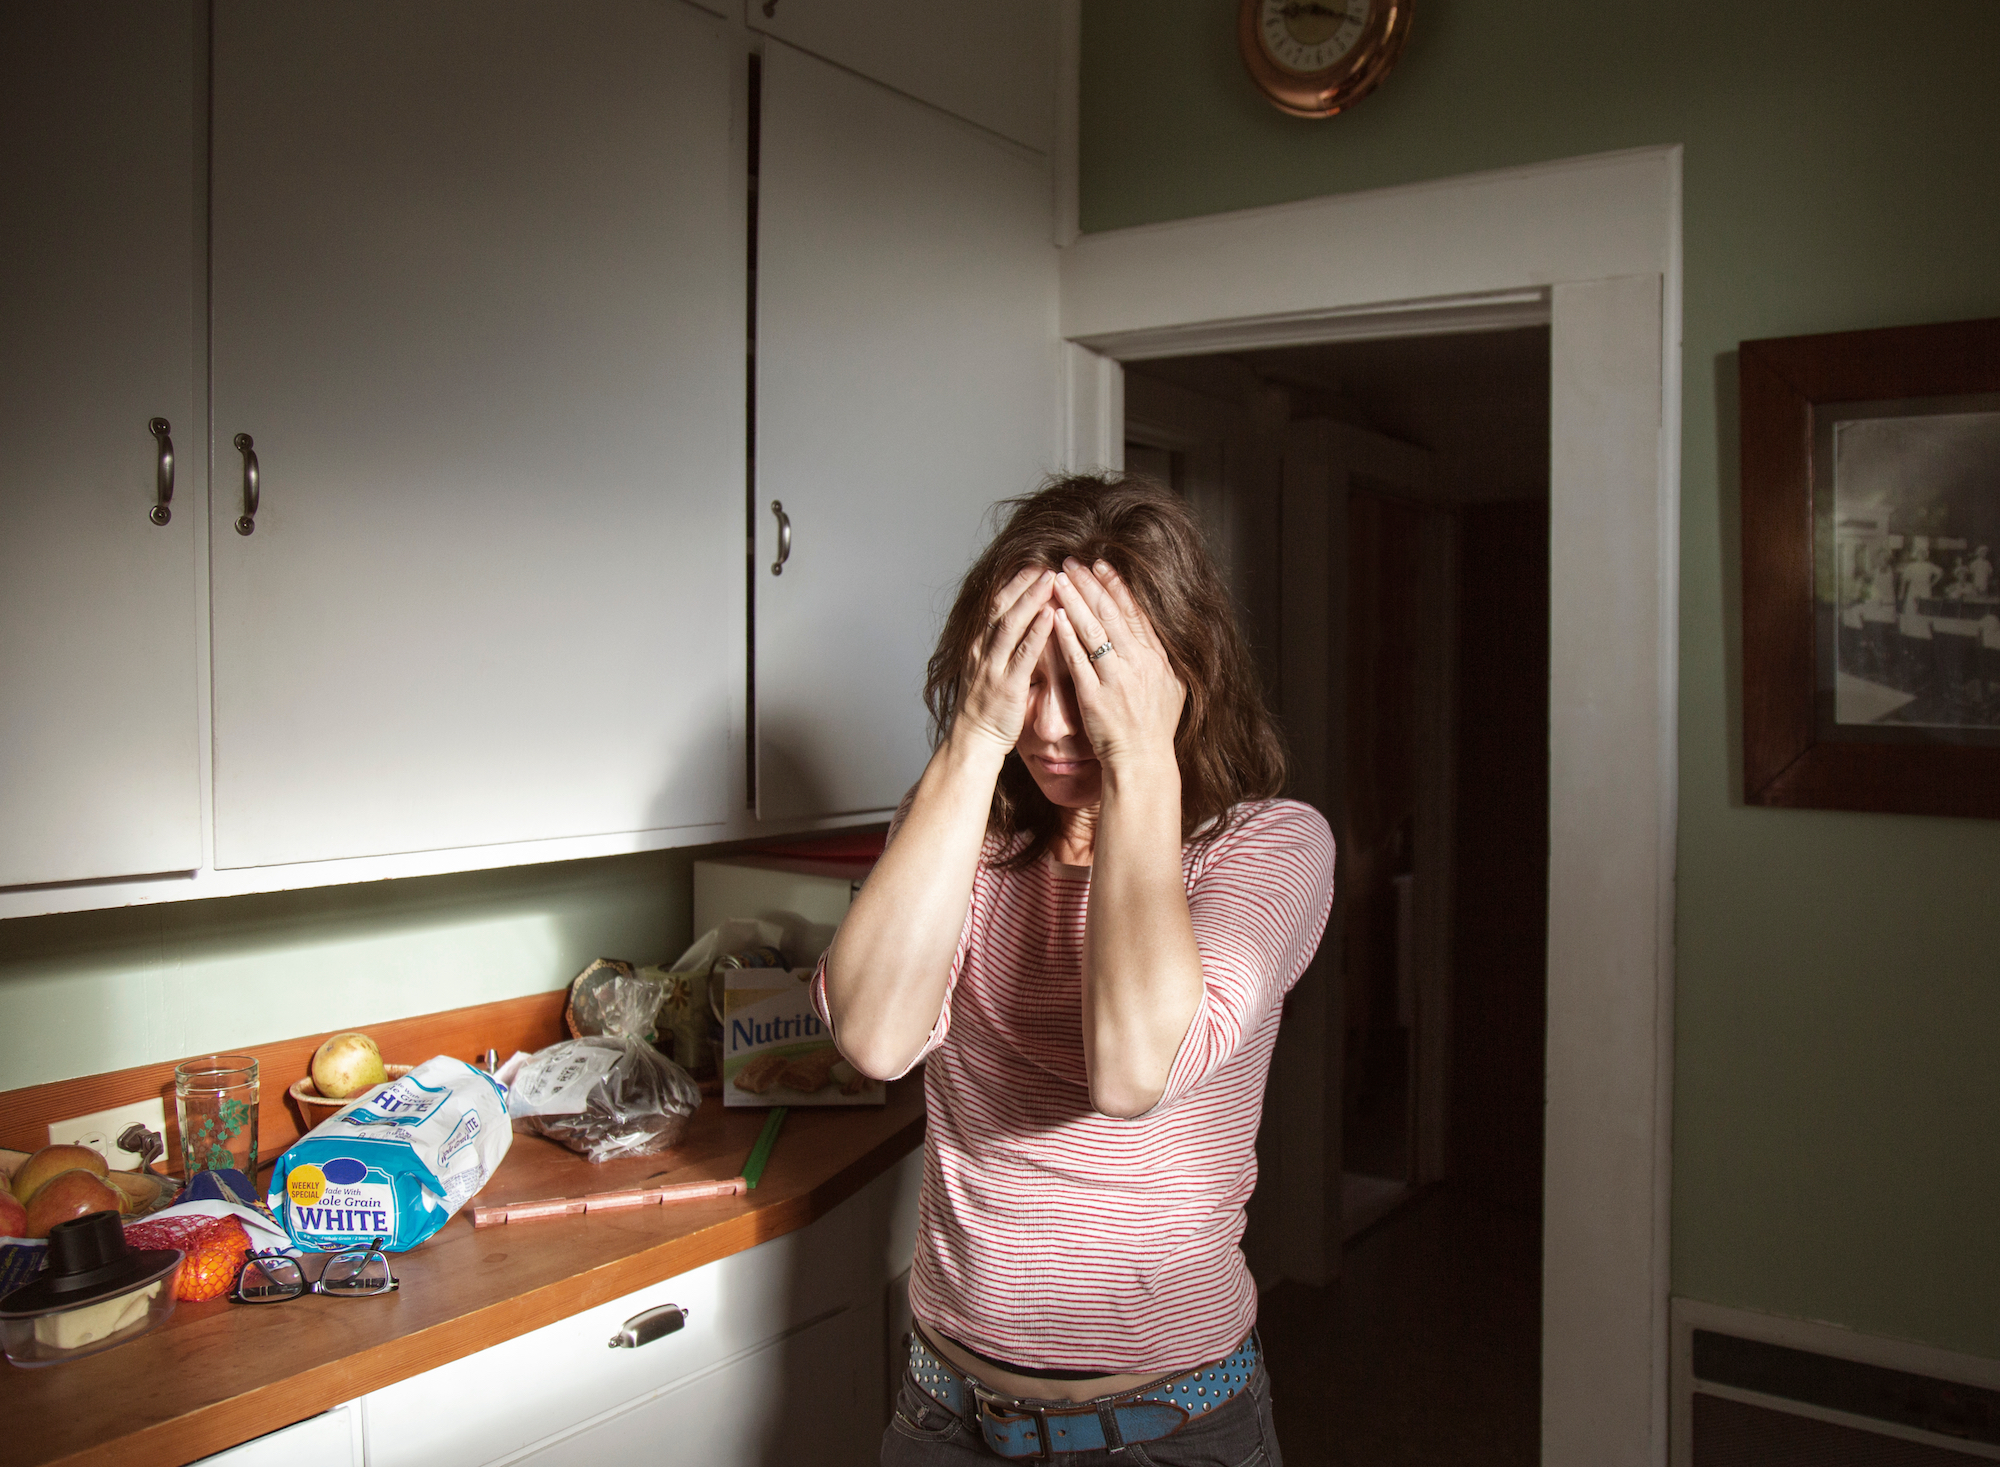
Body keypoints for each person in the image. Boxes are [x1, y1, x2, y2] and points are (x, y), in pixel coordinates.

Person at [815, 474, 1335, 1465]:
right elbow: (875, 1042)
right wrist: (971, 738)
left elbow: (1133, 1070)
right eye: (1025, 678)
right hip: (941, 1416)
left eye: (1092, 677)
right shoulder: (959, 834)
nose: (1050, 726)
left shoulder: (1264, 848)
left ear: (1178, 671)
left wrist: (1141, 761)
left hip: (1169, 1431)